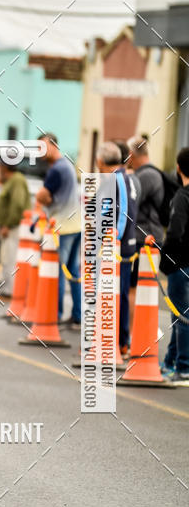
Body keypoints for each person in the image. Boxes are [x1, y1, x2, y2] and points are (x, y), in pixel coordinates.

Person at [96, 142, 141, 357]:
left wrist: (114, 239)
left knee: (118, 294)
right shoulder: (122, 177)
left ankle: (120, 342)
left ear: (100, 161)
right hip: (119, 245)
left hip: (118, 247)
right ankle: (116, 340)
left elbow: (123, 212)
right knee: (116, 293)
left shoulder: (118, 179)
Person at [36, 133, 82, 329]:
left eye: (43, 147)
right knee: (71, 270)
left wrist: (46, 200)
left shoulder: (57, 169)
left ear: (54, 146)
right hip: (75, 225)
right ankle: (78, 315)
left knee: (57, 271)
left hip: (62, 227)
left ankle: (55, 314)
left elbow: (41, 195)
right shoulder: (67, 165)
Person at [127, 135, 165, 334]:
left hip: (145, 239)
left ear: (132, 155)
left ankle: (135, 334)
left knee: (136, 288)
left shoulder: (145, 176)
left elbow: (131, 203)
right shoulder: (149, 173)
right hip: (149, 236)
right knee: (143, 288)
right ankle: (141, 333)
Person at [160, 147, 189, 385]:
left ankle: (183, 366)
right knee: (180, 314)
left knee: (181, 315)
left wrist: (165, 260)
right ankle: (170, 362)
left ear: (179, 168)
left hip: (181, 262)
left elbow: (175, 232)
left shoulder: (182, 196)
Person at [0, 160, 30, 297]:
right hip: (9, 226)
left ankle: (10, 292)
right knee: (6, 258)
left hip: (13, 227)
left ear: (4, 167)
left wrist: (7, 225)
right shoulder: (11, 181)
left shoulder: (17, 180)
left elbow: (17, 204)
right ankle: (6, 290)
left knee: (10, 259)